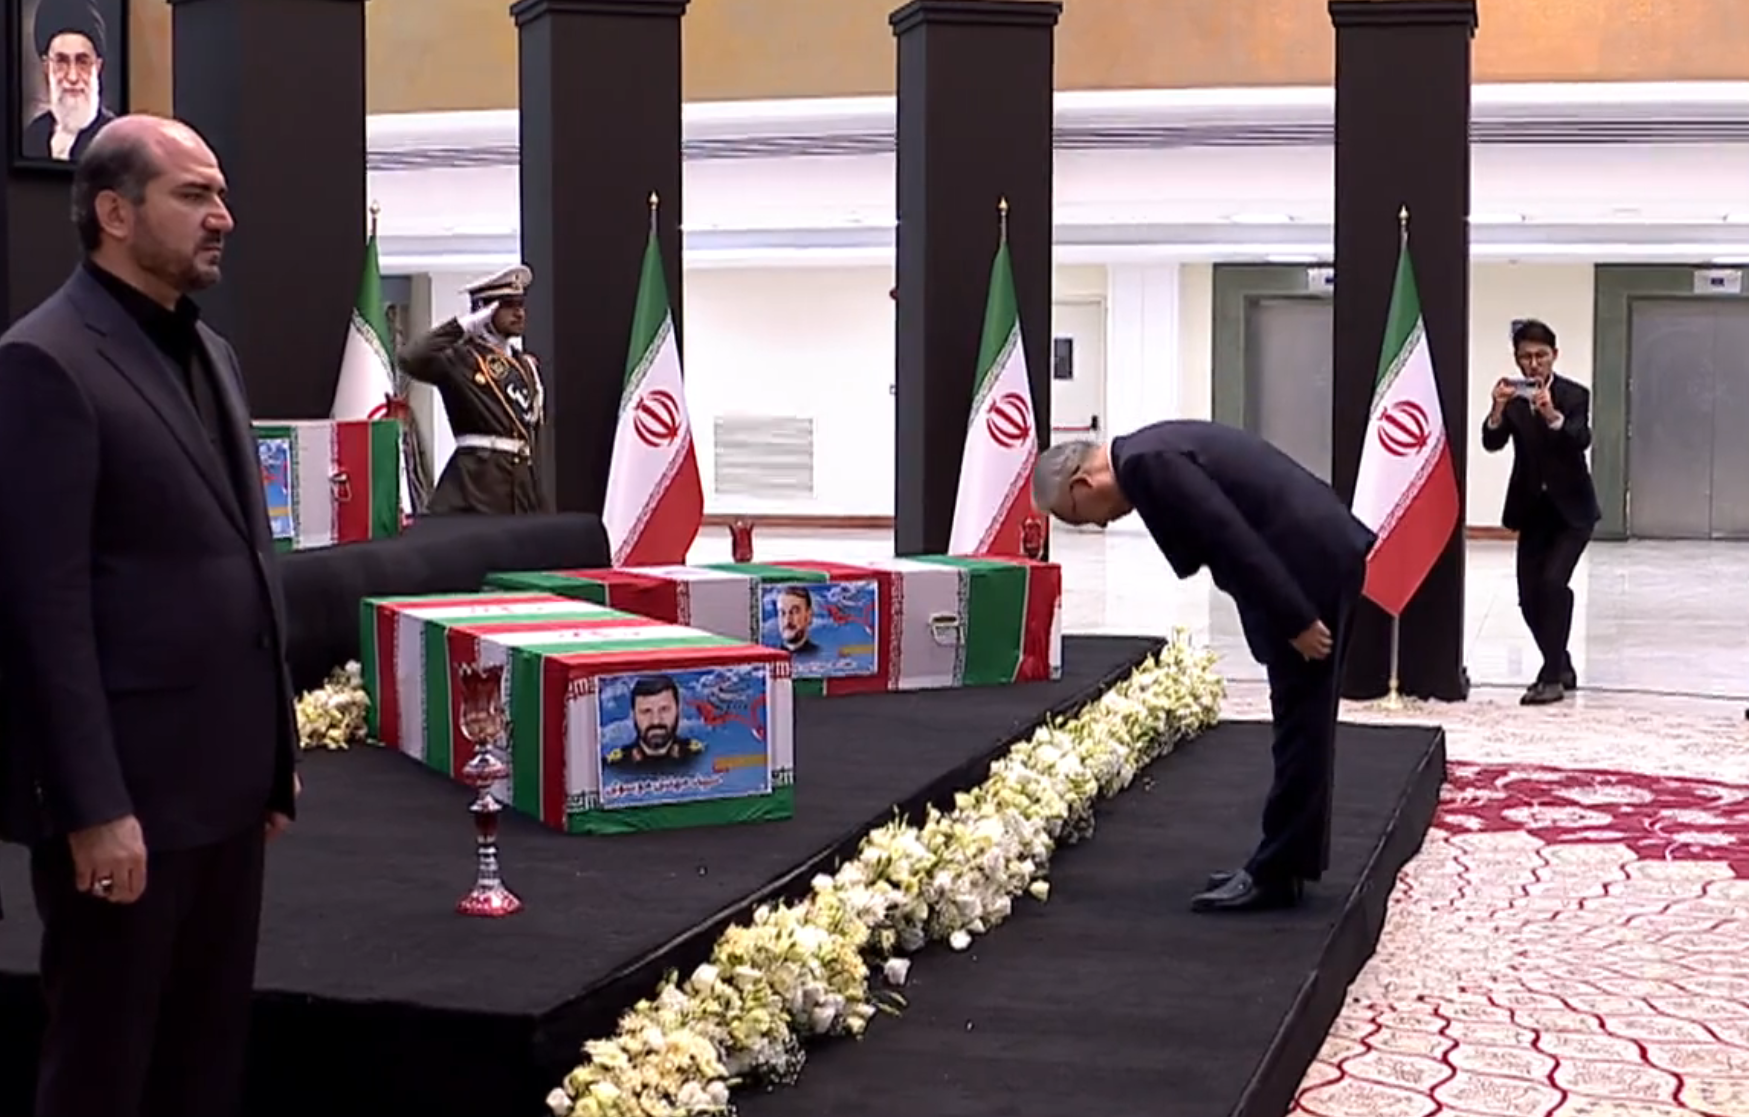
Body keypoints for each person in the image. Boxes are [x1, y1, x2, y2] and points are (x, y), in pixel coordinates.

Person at [0, 115, 300, 1117]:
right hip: (126, 802)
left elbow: (241, 559)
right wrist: (91, 809)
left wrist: (271, 756)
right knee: (103, 1068)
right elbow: (44, 610)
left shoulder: (210, 349)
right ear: (115, 213)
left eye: (220, 195)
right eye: (195, 196)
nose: (224, 217)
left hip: (221, 791)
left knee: (202, 1060)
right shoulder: (43, 361)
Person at [1031, 421, 1375, 914]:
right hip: (1310, 555)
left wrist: (1294, 618)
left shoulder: (1146, 464)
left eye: (1078, 517)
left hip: (1306, 567)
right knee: (1303, 722)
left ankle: (1277, 873)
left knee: (1302, 725)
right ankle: (1287, 862)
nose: (1097, 526)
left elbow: (1229, 537)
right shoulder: (1147, 452)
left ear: (1083, 485)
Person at [1481, 318, 1599, 706]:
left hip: (1573, 511)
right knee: (1528, 597)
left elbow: (1580, 438)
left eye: (1541, 356)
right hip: (1532, 509)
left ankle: (1550, 677)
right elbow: (1491, 442)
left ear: (1555, 356)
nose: (1533, 365)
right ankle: (1560, 662)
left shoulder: (1574, 394)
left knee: (1552, 585)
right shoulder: (1513, 398)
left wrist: (1551, 415)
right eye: (1525, 357)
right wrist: (1497, 410)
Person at [399, 266, 550, 514]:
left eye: (521, 304)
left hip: (520, 490)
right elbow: (409, 358)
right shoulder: (461, 358)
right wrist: (461, 327)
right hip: (477, 487)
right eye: (508, 305)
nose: (519, 313)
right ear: (484, 310)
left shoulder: (525, 365)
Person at [22, 0, 115, 162]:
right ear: (47, 67)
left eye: (82, 62)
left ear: (98, 67)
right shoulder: (32, 135)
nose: (72, 77)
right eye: (61, 62)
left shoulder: (115, 138)